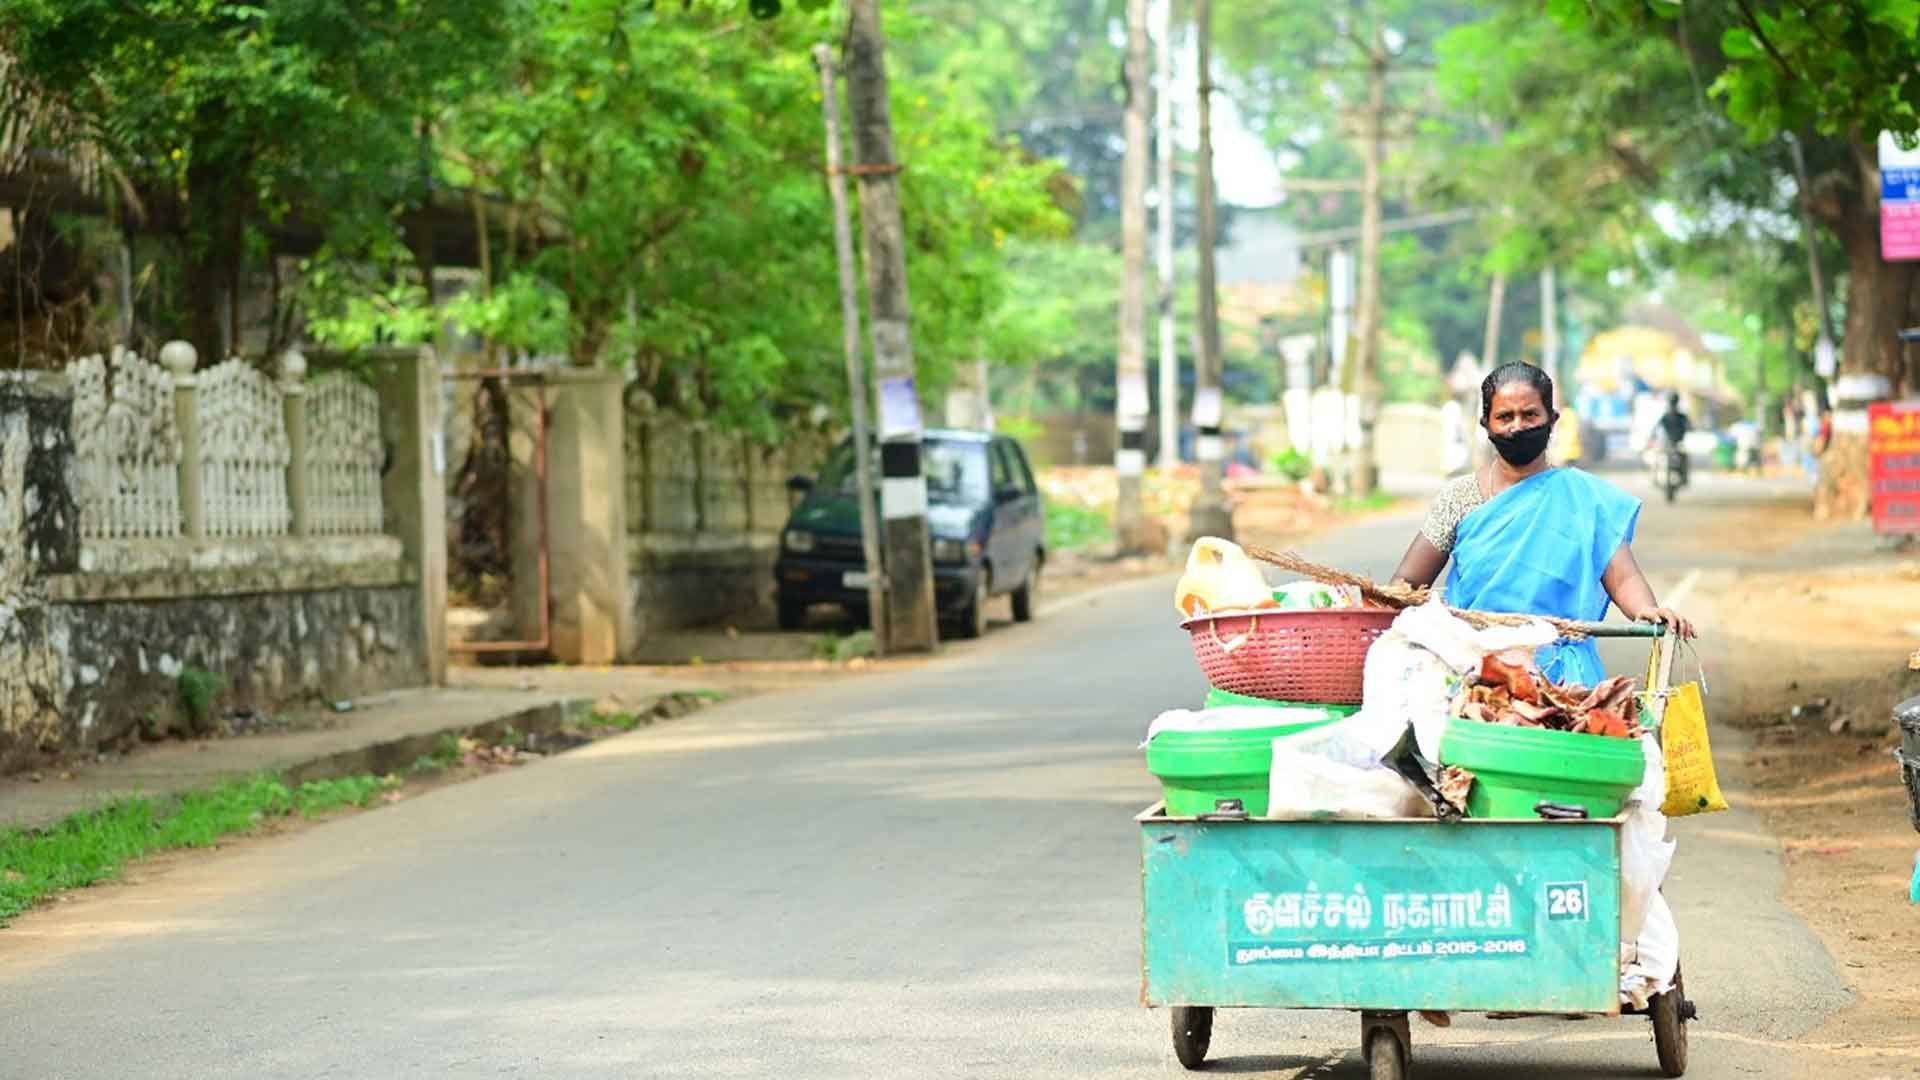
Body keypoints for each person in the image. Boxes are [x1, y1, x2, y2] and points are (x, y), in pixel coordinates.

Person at [1390, 362, 1695, 687]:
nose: (1518, 427)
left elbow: (1622, 577)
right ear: (1486, 424)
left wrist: (1646, 610)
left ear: (1552, 419)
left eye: (1530, 415)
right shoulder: (1459, 497)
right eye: (1505, 417)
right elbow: (1408, 581)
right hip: (1473, 673)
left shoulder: (1586, 498)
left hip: (1562, 682)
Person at [1656, 392, 1691, 485]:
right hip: (1669, 444)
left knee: (1684, 458)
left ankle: (1684, 477)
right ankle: (1684, 478)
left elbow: (1689, 427)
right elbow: (1657, 429)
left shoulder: (1678, 416)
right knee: (1657, 458)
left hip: (1675, 443)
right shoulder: (1672, 416)